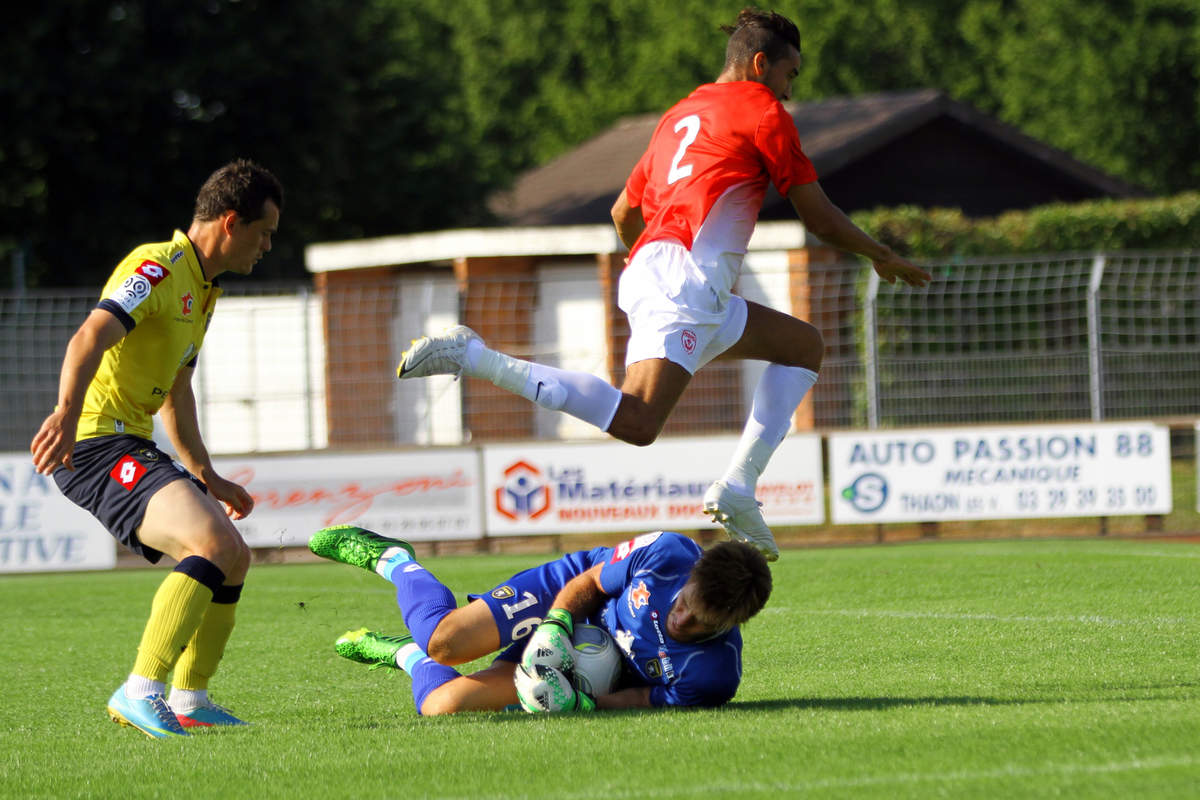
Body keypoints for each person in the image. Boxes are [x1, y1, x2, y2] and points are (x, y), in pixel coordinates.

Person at [394, 8, 932, 561]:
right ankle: (474, 356)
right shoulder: (763, 111)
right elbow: (816, 217)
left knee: (802, 346)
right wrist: (881, 254)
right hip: (686, 285)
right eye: (790, 75)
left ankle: (739, 487)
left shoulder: (681, 113)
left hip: (671, 274)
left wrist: (653, 267)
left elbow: (624, 210)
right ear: (760, 63)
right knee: (638, 422)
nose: (790, 91)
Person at [29, 159, 283, 739]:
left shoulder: (204, 289)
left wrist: (207, 475)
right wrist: (67, 415)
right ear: (230, 222)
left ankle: (190, 698)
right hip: (93, 444)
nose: (268, 246)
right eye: (264, 231)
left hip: (129, 440)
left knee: (233, 555)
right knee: (212, 542)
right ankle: (139, 691)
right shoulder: (158, 268)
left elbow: (177, 391)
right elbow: (92, 333)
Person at [308, 524, 772, 715]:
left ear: (730, 624)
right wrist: (555, 625)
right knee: (444, 641)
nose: (681, 619)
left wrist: (582, 704)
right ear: (692, 574)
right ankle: (393, 558)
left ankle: (403, 655)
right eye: (683, 603)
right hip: (567, 595)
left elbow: (643, 697)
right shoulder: (668, 552)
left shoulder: (714, 677)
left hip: (586, 669)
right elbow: (590, 582)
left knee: (441, 706)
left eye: (698, 623)